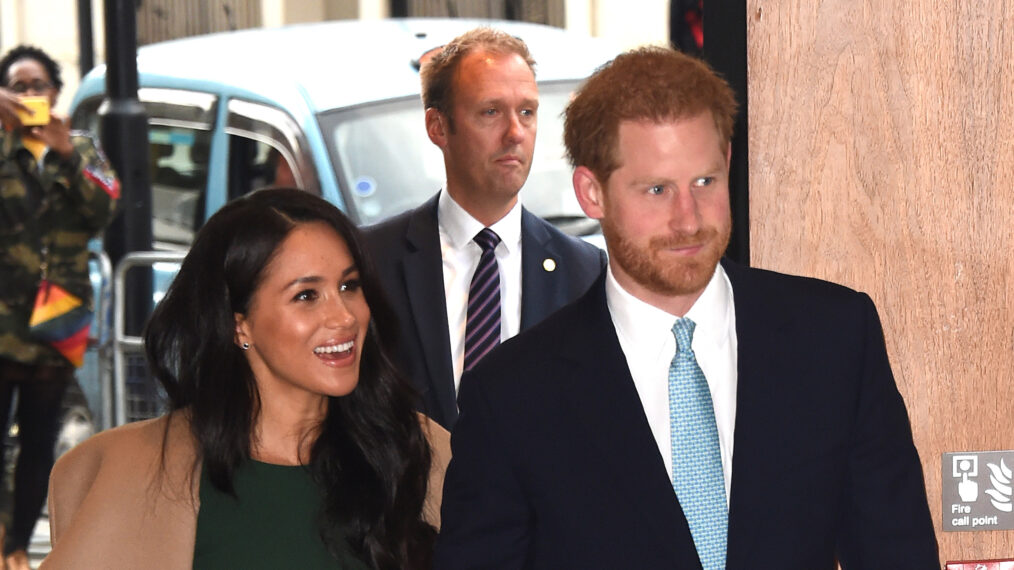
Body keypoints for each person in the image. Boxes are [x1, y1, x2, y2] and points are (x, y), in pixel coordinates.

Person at [434, 47, 939, 568]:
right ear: (592, 193)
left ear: (726, 161)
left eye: (704, 182)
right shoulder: (512, 396)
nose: (688, 219)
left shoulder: (833, 338)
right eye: (656, 189)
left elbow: (897, 554)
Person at [42, 189, 450, 569]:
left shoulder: (421, 453)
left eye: (349, 286)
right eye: (306, 296)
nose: (344, 316)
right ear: (240, 325)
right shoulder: (137, 470)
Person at [363, 28, 606, 430]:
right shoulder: (372, 262)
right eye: (490, 112)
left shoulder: (585, 272)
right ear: (438, 127)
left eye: (527, 112)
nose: (515, 133)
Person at [0, 45, 119, 570]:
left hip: (59, 316)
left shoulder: (82, 149)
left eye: (38, 86)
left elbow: (105, 210)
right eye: (17, 87)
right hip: (3, 317)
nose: (30, 96)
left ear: (56, 92)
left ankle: (16, 546)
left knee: (39, 441)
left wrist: (65, 153)